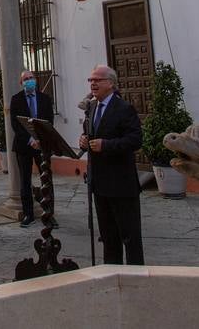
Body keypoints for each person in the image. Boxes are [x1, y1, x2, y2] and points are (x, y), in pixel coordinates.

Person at [77, 65, 143, 265]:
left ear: (111, 83)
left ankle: (135, 275)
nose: (93, 83)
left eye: (98, 79)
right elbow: (90, 133)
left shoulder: (124, 108)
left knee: (130, 236)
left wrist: (107, 145)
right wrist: (84, 140)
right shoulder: (92, 107)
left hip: (121, 184)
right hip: (100, 183)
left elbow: (135, 140)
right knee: (108, 237)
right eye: (91, 80)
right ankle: (111, 271)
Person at [9, 68, 55, 227]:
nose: (29, 80)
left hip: (42, 145)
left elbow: (49, 122)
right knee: (25, 180)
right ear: (21, 83)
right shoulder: (16, 99)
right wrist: (30, 139)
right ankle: (28, 214)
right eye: (26, 79)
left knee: (46, 180)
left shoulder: (45, 98)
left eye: (31, 77)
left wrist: (40, 140)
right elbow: (15, 124)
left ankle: (49, 214)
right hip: (24, 146)